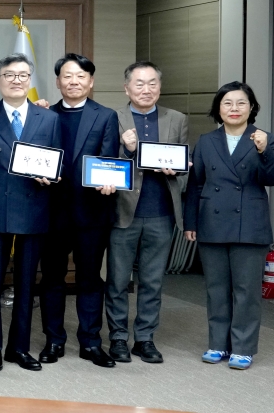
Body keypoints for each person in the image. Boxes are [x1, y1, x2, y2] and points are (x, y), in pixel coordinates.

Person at [0, 54, 61, 372]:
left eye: (22, 75)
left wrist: (52, 176)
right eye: (9, 75)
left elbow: (57, 160)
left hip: (34, 206)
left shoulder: (48, 118)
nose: (16, 80)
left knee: (26, 283)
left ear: (30, 79)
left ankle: (18, 347)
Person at [184, 82, 274, 370]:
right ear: (218, 109)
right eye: (227, 103)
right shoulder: (206, 141)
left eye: (241, 103)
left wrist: (264, 151)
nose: (234, 108)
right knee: (216, 289)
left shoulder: (265, 138)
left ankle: (243, 347)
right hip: (212, 223)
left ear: (251, 108)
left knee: (246, 291)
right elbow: (196, 185)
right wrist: (190, 221)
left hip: (249, 225)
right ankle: (217, 343)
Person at [36, 54, 120, 368]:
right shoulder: (44, 114)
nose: (74, 81)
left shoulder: (106, 116)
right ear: (58, 82)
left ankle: (91, 342)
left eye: (81, 76)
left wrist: (109, 181)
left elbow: (108, 158)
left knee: (90, 279)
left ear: (91, 81)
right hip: (51, 213)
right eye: (67, 76)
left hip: (92, 212)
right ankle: (53, 340)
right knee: (52, 279)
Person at [105, 61, 188, 364]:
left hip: (161, 212)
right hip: (123, 211)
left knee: (153, 281)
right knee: (117, 280)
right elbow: (104, 162)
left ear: (160, 87)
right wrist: (126, 150)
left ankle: (144, 338)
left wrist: (177, 171)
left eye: (152, 83)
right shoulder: (113, 118)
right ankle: (117, 337)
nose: (146, 89)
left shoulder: (177, 119)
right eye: (139, 83)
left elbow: (185, 167)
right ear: (127, 88)